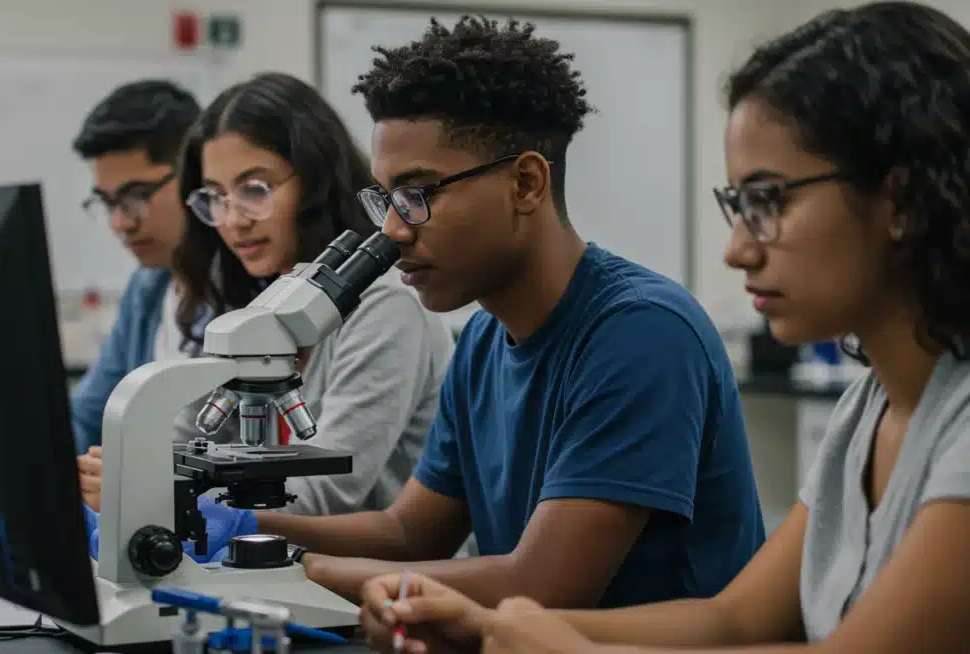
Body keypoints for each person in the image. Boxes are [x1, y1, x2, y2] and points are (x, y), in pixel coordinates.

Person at [358, 3, 970, 653]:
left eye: (769, 201)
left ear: (900, 201)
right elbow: (734, 621)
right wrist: (482, 624)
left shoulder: (957, 422)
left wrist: (571, 648)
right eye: (737, 205)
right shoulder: (867, 410)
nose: (735, 250)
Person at [197, 16, 764, 608]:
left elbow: (543, 586)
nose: (392, 230)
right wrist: (236, 526)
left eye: (419, 195)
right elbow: (410, 533)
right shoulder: (484, 339)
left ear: (524, 184)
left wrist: (284, 568)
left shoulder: (642, 333)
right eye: (385, 199)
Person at [77, 71, 453, 526]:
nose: (234, 220)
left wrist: (153, 491)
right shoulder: (254, 298)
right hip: (274, 567)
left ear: (314, 180)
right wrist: (135, 471)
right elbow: (183, 439)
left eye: (255, 190)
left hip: (377, 583)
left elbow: (325, 492)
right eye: (215, 197)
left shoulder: (386, 307)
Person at [69, 79, 202, 456]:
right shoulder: (148, 289)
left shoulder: (244, 294)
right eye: (108, 203)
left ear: (195, 176)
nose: (120, 223)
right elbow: (87, 418)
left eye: (136, 196)